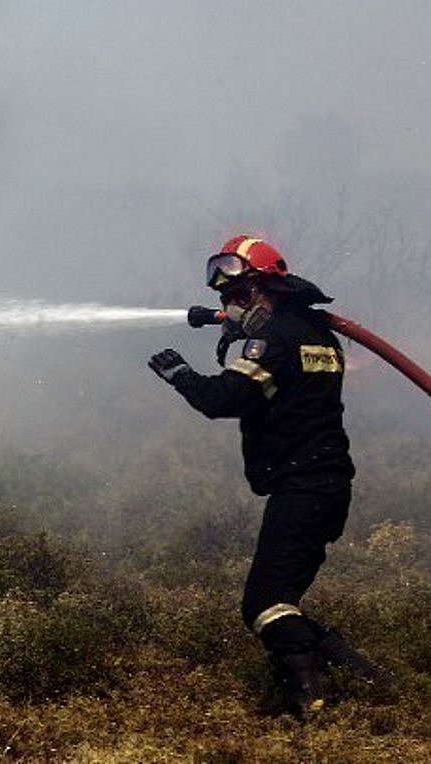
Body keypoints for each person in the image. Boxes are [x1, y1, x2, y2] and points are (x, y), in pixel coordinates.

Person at [147, 235, 388, 717]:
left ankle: (309, 704)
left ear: (267, 289)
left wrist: (179, 374)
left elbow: (223, 400)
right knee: (280, 600)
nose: (232, 305)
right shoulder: (316, 334)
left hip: (304, 487)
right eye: (226, 299)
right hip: (324, 485)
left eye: (239, 295)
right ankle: (371, 680)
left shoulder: (274, 339)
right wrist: (234, 331)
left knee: (263, 603)